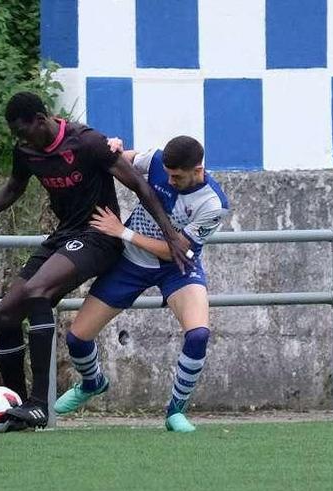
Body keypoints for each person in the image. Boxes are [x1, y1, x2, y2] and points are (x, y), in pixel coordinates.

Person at [0, 92, 191, 430]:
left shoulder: (87, 142)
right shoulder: (26, 151)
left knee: (38, 292)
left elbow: (138, 186)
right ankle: (15, 408)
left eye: (26, 130)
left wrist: (170, 235)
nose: (23, 139)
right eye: (17, 134)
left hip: (98, 235)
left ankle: (39, 404)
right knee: (4, 313)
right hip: (64, 236)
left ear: (43, 118)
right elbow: (13, 188)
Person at [54, 136, 229, 432]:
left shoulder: (213, 203)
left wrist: (123, 233)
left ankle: (175, 411)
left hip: (177, 267)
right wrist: (113, 147)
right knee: (77, 338)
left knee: (198, 334)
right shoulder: (159, 160)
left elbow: (174, 249)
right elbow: (127, 159)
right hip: (130, 265)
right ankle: (92, 383)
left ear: (198, 170)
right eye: (168, 174)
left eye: (177, 176)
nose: (170, 181)